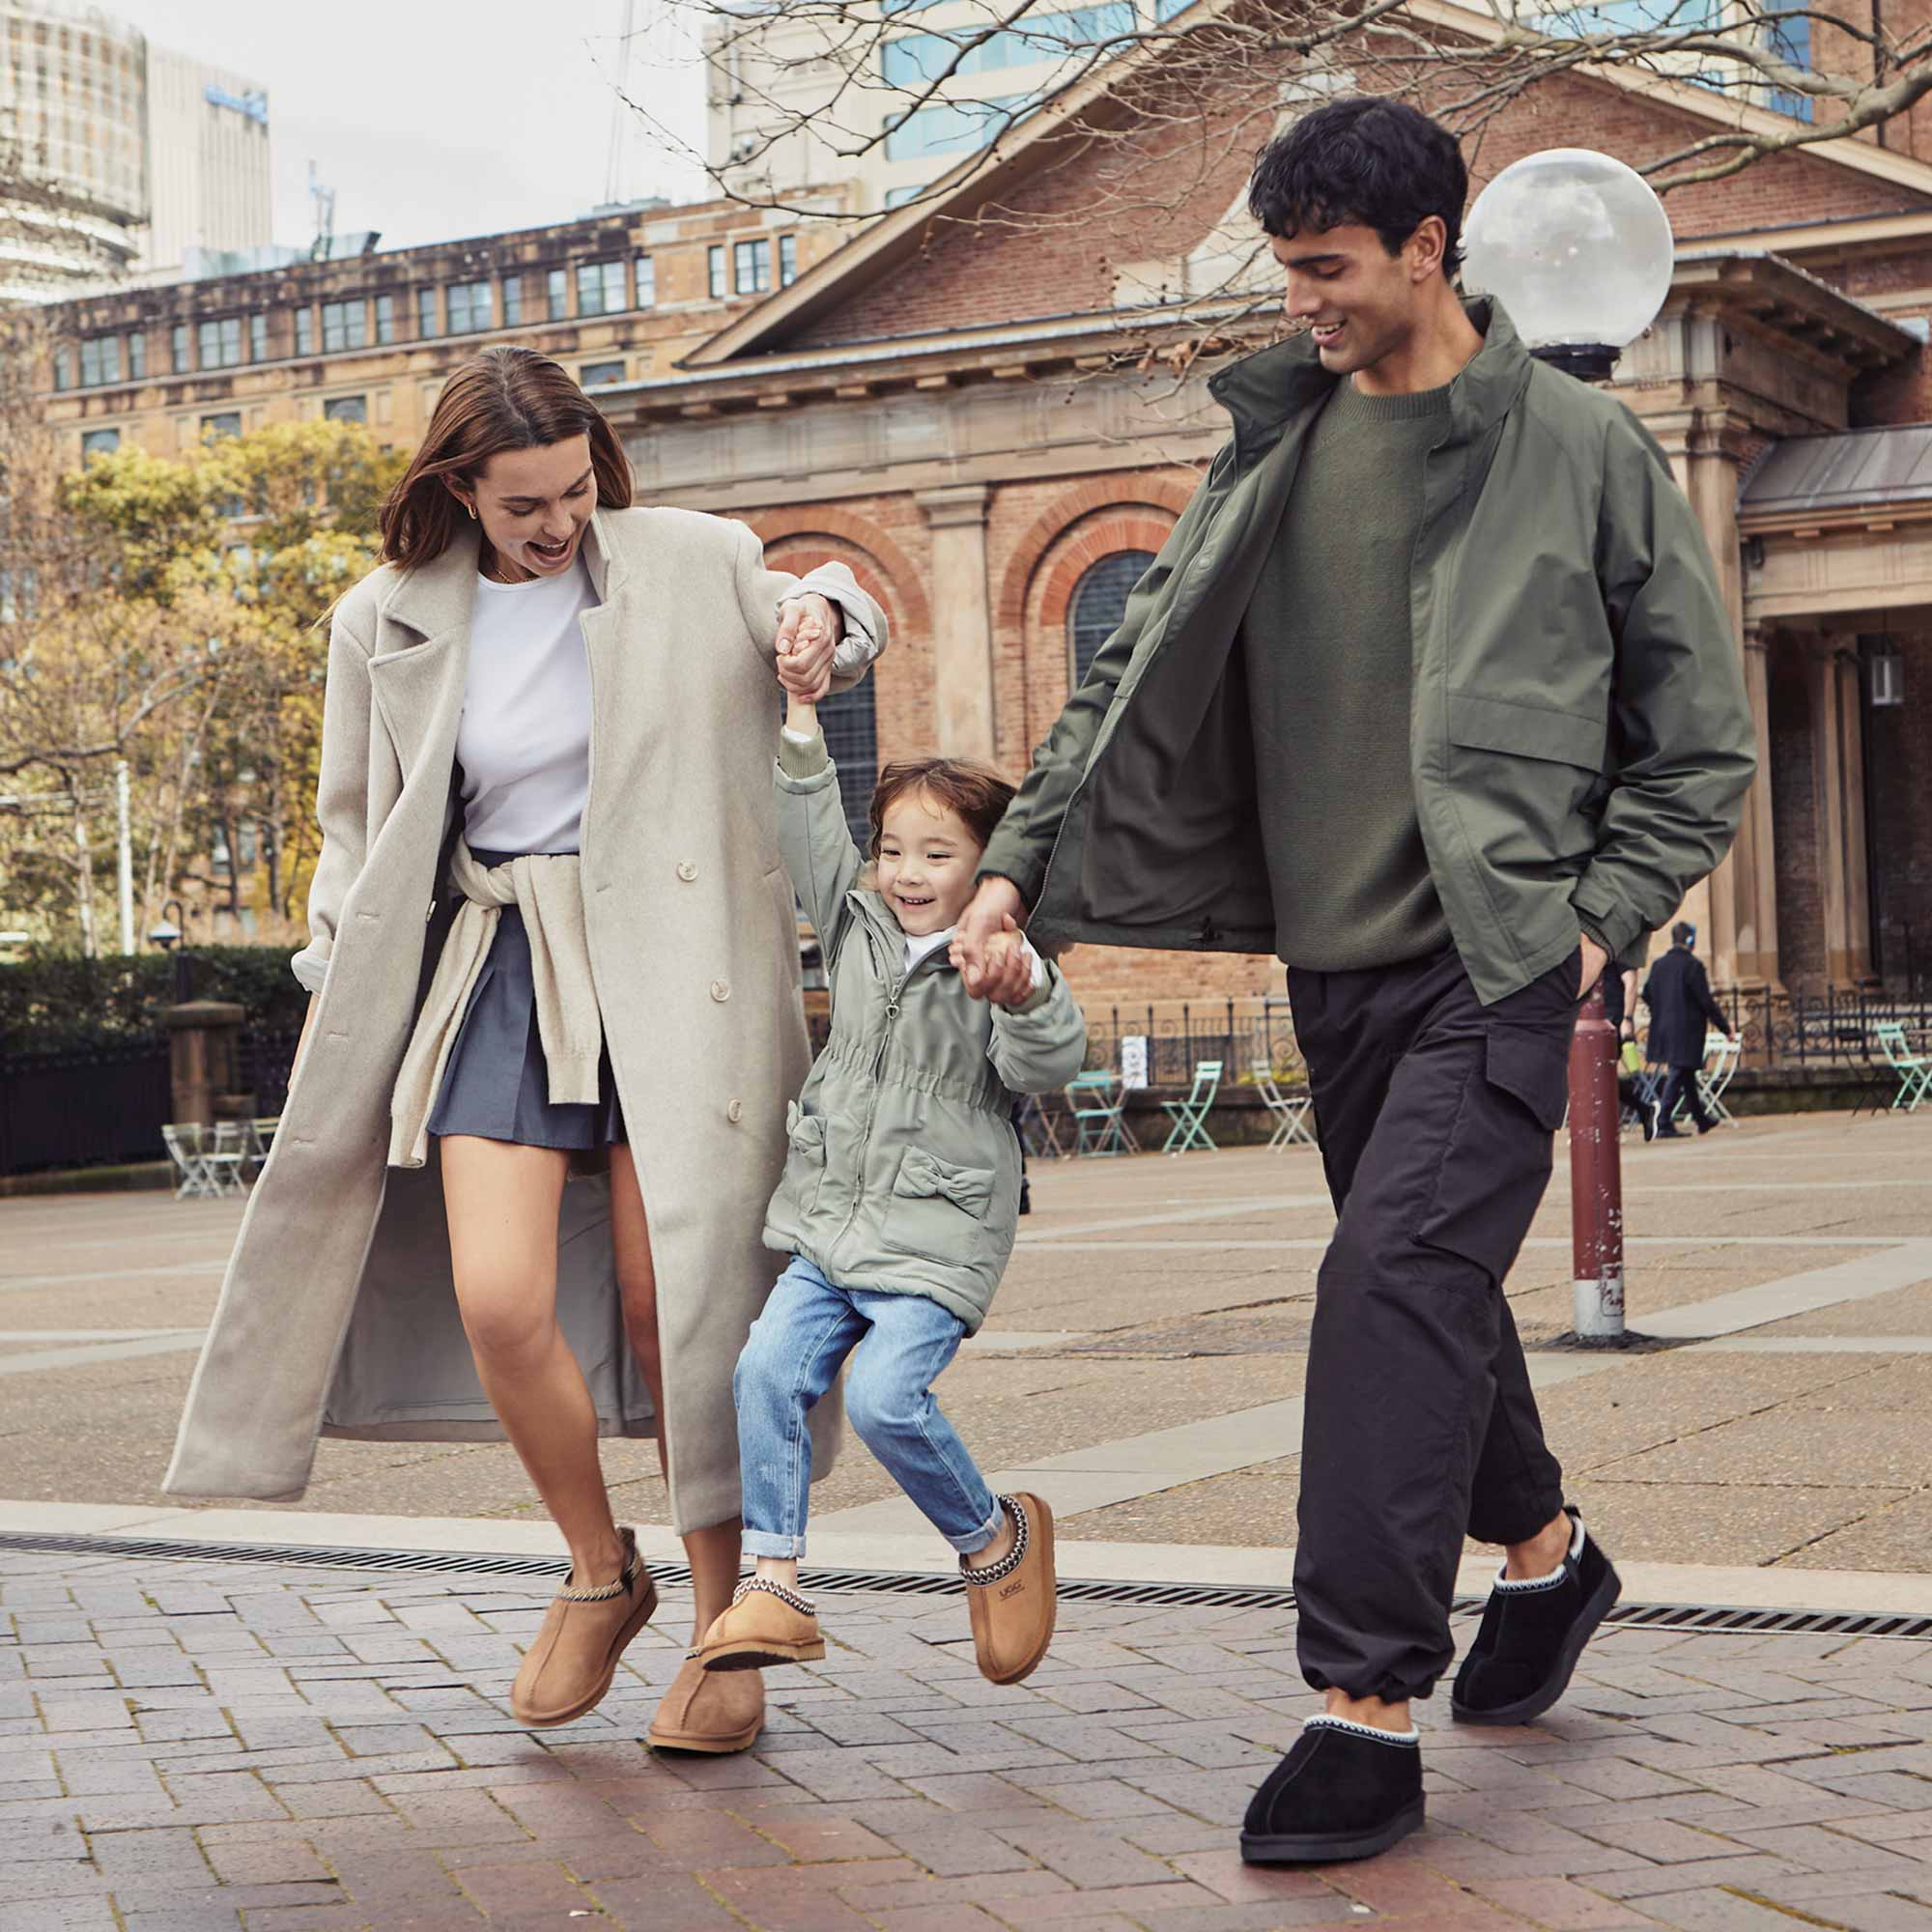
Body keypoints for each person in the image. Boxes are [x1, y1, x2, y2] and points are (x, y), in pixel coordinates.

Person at [952, 98, 1756, 1863]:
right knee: (1437, 1295)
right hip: (1337, 973)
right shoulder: (1271, 445)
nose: (1299, 299)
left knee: (1386, 1281)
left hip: (1496, 962)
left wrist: (1598, 920)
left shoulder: (1577, 448)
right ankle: (1549, 1563)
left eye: (1326, 269)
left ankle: (1362, 1708)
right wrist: (1021, 869)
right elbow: (1125, 682)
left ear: (1425, 251)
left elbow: (1701, 747)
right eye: (1286, 266)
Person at [164, 346, 890, 1756]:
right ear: (459, 489)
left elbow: (834, 602)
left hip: (679, 968)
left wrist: (819, 616)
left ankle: (725, 1623)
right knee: (499, 1296)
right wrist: (336, 984)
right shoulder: (380, 618)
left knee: (671, 1302)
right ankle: (598, 1569)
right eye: (522, 506)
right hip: (497, 956)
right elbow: (357, 827)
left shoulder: (690, 558)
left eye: (571, 491)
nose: (555, 523)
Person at [694, 666, 1087, 1688]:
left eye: (937, 853)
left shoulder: (1001, 955)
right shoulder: (858, 926)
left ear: (985, 866)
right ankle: (773, 1578)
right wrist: (802, 710)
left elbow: (1044, 1066)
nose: (907, 870)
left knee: (883, 1398)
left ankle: (993, 1539)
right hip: (831, 1224)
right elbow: (807, 819)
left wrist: (1025, 983)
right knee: (763, 1371)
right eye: (893, 850)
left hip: (935, 1234)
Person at [1641, 922, 1737, 1137]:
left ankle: (1700, 1118)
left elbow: (1647, 993)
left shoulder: (1658, 965)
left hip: (1663, 1028)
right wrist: (1725, 1029)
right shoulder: (1692, 966)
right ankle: (1663, 1121)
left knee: (1685, 1073)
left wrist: (1661, 1010)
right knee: (1677, 1071)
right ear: (1690, 940)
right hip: (1686, 1030)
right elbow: (1706, 1001)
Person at [1603, 962, 1662, 1142]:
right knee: (1601, 1077)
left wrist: (1627, 1019)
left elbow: (1631, 982)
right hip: (1596, 1021)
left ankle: (1607, 1125)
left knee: (1601, 1075)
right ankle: (1644, 1109)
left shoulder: (1618, 947)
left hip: (1613, 1021)